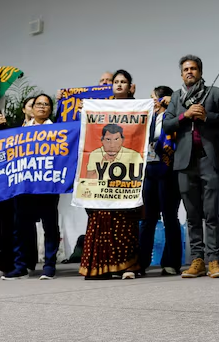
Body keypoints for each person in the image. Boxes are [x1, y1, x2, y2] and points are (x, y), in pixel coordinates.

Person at [164, 55, 219, 279]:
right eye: (186, 69)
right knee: (192, 215)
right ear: (181, 74)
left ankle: (214, 260)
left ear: (200, 71)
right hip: (185, 162)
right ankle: (197, 260)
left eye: (193, 68)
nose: (190, 72)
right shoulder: (176, 97)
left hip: (209, 160)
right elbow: (166, 124)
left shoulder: (215, 93)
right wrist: (186, 115)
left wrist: (206, 116)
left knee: (212, 213)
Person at [80, 70, 145, 280]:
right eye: (116, 82)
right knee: (102, 220)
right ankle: (102, 267)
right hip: (101, 177)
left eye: (123, 81)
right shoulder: (100, 108)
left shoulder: (139, 109)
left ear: (130, 87)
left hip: (126, 175)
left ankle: (128, 267)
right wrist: (83, 112)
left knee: (124, 222)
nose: (119, 85)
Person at [2, 93, 61, 281]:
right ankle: (20, 266)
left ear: (50, 109)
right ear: (32, 108)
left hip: (47, 186)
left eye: (46, 104)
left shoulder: (58, 130)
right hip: (24, 186)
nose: (42, 107)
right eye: (38, 104)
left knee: (50, 226)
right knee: (21, 227)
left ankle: (49, 266)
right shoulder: (20, 131)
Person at [138, 85, 183, 277]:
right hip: (149, 170)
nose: (151, 102)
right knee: (148, 218)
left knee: (170, 217)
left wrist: (172, 102)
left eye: (153, 98)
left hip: (169, 169)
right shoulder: (148, 119)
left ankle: (171, 262)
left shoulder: (173, 117)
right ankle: (140, 262)